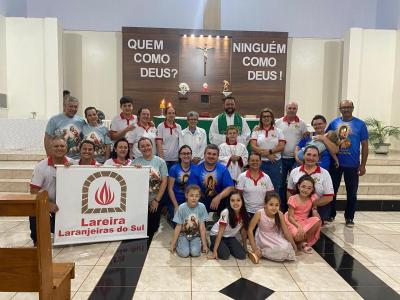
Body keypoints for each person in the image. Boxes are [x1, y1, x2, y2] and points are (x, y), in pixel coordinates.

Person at [326, 100, 369, 227]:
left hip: (353, 164)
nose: (346, 109)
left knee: (352, 192)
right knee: (332, 190)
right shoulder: (334, 122)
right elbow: (325, 136)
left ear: (352, 108)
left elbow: (365, 146)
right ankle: (331, 214)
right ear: (339, 108)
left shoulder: (360, 124)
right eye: (343, 107)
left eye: (348, 107)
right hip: (336, 163)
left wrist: (363, 165)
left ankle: (349, 217)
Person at [29, 137, 72, 244]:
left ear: (66, 148)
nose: (59, 149)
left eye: (62, 146)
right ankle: (37, 240)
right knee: (34, 209)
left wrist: (72, 171)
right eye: (56, 146)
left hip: (66, 206)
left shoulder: (73, 163)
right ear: (50, 148)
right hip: (46, 203)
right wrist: (47, 204)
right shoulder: (41, 167)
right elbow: (34, 191)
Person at [275, 102, 309, 211]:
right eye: (290, 108)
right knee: (280, 185)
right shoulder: (278, 122)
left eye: (294, 108)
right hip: (281, 158)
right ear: (286, 109)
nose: (292, 110)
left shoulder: (302, 123)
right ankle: (281, 209)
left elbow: (306, 139)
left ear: (297, 109)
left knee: (295, 184)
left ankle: (295, 208)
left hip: (296, 160)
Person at [132, 137, 168, 238]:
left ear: (152, 146)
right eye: (142, 146)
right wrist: (134, 171)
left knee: (152, 228)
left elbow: (164, 182)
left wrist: (156, 200)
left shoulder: (161, 162)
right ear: (139, 149)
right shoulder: (134, 163)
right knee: (139, 228)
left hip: (155, 200)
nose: (146, 148)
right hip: (140, 202)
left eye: (148, 145)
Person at [287, 146, 334, 222]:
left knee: (313, 229)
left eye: (314, 155)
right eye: (308, 154)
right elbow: (289, 191)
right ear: (303, 155)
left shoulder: (325, 173)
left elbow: (329, 197)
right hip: (297, 209)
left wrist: (310, 206)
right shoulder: (295, 171)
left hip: (318, 207)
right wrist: (293, 206)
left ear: (318, 158)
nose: (311, 158)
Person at [247, 192, 296, 264]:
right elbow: (250, 230)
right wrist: (255, 249)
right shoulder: (259, 213)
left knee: (286, 247)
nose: (274, 208)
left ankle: (263, 252)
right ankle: (260, 252)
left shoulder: (279, 214)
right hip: (263, 237)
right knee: (281, 249)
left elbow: (286, 231)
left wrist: (294, 245)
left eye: (277, 205)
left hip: (275, 235)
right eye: (271, 204)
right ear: (265, 204)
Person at [188, 144, 234, 213]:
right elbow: (192, 189)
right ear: (204, 155)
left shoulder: (223, 169)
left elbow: (230, 187)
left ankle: (222, 220)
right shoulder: (196, 169)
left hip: (219, 201)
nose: (211, 156)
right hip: (201, 201)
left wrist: (219, 197)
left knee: (228, 197)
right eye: (209, 153)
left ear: (218, 156)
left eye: (214, 154)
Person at [250, 108, 285, 194]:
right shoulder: (256, 131)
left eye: (268, 116)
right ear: (261, 119)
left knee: (275, 187)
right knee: (260, 187)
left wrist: (269, 152)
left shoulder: (278, 131)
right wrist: (267, 155)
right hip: (259, 163)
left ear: (272, 118)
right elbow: (253, 146)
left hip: (275, 163)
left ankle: (274, 207)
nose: (266, 118)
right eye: (264, 116)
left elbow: (281, 146)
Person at [285, 175, 322, 254]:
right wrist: (298, 226)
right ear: (298, 186)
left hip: (304, 220)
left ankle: (304, 242)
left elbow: (314, 208)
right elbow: (290, 217)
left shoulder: (312, 198)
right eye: (303, 186)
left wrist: (315, 210)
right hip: (292, 221)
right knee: (297, 235)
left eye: (309, 188)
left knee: (317, 221)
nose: (305, 190)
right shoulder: (293, 198)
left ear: (312, 189)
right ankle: (299, 243)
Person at [208, 190, 249, 260]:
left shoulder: (244, 213)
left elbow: (244, 232)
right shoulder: (225, 213)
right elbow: (220, 232)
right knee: (225, 255)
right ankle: (213, 246)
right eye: (232, 200)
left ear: (242, 201)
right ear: (229, 202)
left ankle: (225, 245)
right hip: (216, 235)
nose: (235, 203)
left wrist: (245, 247)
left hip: (229, 237)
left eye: (238, 200)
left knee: (242, 255)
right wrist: (215, 251)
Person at [170, 185, 208, 257]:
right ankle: (179, 242)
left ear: (199, 197)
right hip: (183, 235)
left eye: (196, 196)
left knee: (195, 253)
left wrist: (204, 244)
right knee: (184, 254)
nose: (194, 198)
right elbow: (178, 227)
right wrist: (173, 243)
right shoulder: (181, 207)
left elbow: (202, 227)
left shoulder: (202, 207)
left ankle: (198, 243)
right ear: (186, 195)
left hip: (196, 235)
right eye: (191, 195)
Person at [236, 153, 274, 218]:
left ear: (261, 162)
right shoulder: (242, 176)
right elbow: (238, 195)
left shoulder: (266, 177)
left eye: (257, 160)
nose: (255, 162)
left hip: (263, 212)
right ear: (248, 162)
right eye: (252, 160)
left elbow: (270, 195)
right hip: (246, 212)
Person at [168, 145, 194, 216]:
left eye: (188, 153)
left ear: (191, 155)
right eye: (183, 153)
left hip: (191, 201)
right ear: (179, 156)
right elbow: (170, 189)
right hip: (176, 201)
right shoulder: (174, 169)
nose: (186, 155)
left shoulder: (195, 168)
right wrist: (176, 206)